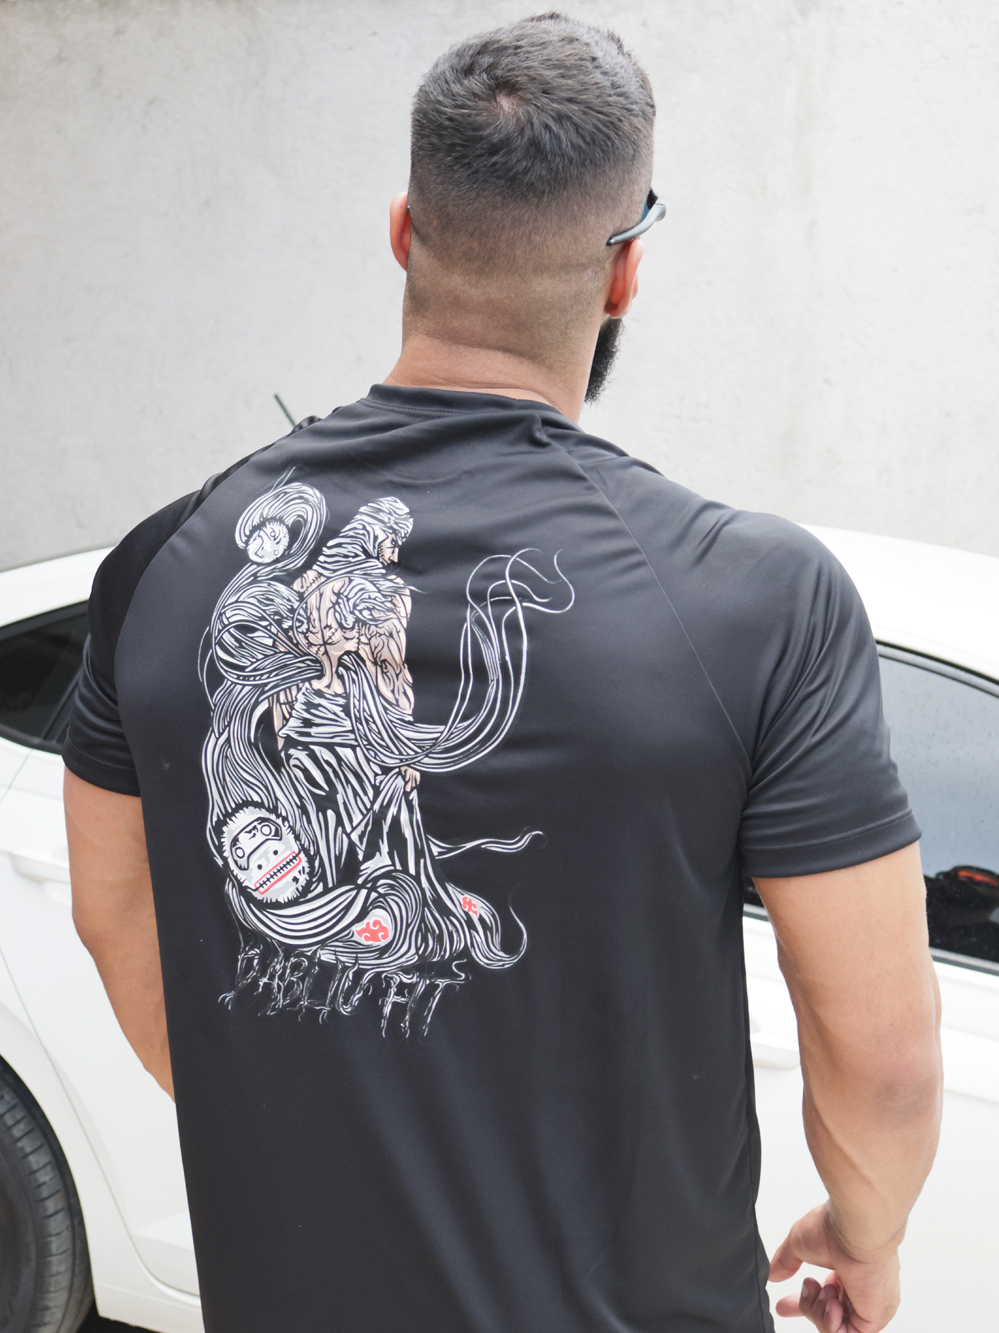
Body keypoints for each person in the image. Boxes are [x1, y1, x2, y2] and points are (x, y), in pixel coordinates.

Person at [64, 13, 942, 1333]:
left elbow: (114, 916)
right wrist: (865, 1232)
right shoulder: (756, 597)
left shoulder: (160, 566)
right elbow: (882, 1062)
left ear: (404, 231)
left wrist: (313, 1139)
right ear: (626, 270)